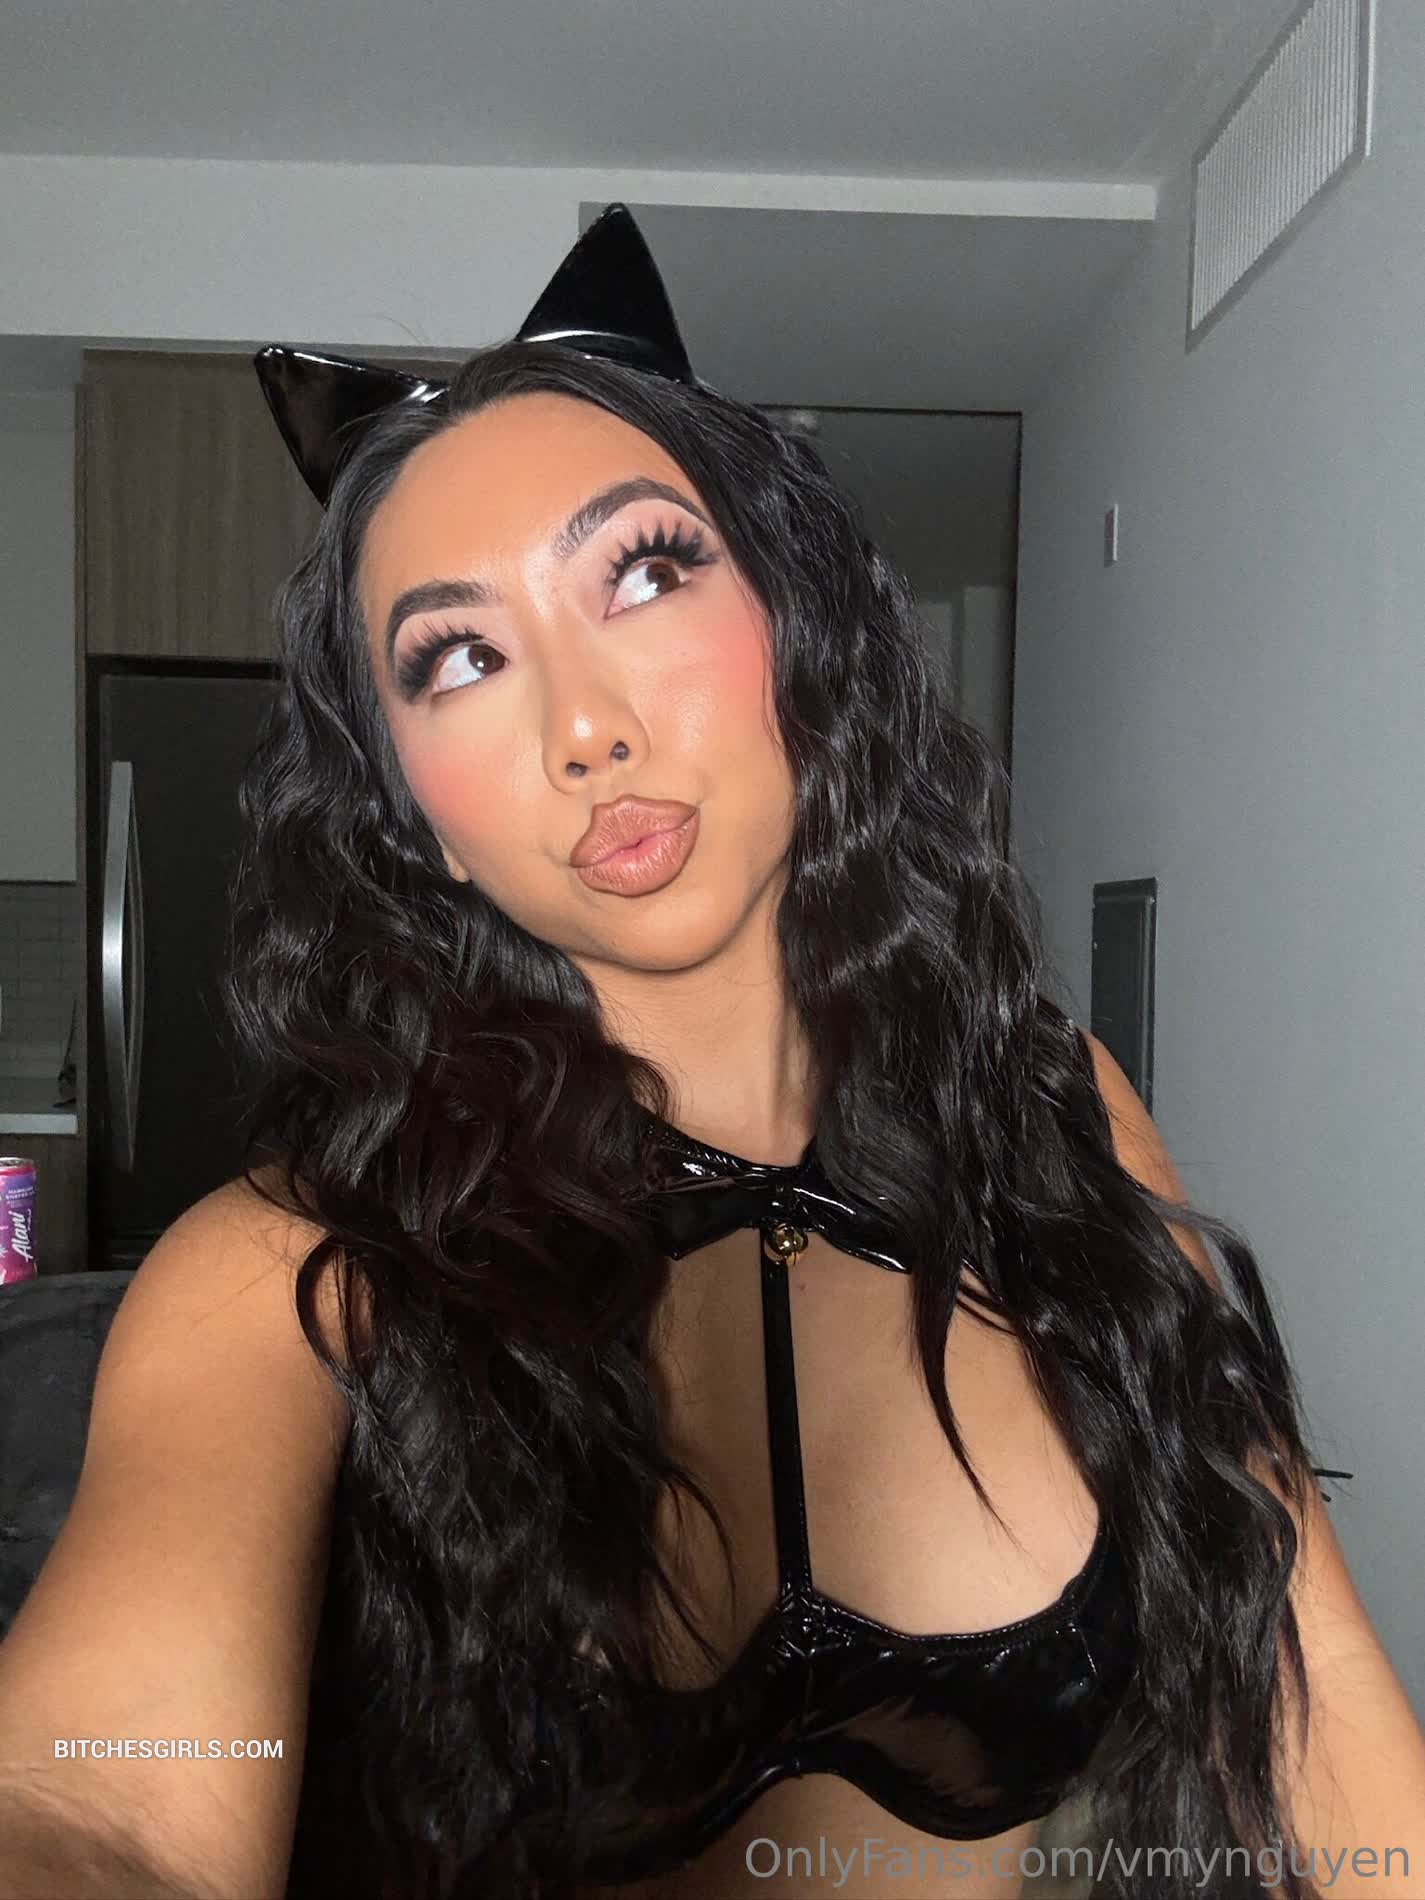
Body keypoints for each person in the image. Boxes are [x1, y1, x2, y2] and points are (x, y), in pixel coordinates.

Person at [1, 206, 1422, 1900]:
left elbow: (1309, 1681)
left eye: (645, 571)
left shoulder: (1054, 1110)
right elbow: (115, 1798)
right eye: (459, 658)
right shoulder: (285, 1274)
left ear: (797, 631)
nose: (583, 727)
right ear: (416, 819)